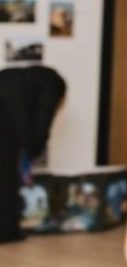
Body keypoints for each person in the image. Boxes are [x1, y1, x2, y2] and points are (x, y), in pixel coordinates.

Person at [0, 65, 66, 242]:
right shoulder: (51, 85)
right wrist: (32, 150)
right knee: (6, 179)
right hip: (5, 123)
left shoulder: (13, 75)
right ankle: (6, 232)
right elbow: (41, 120)